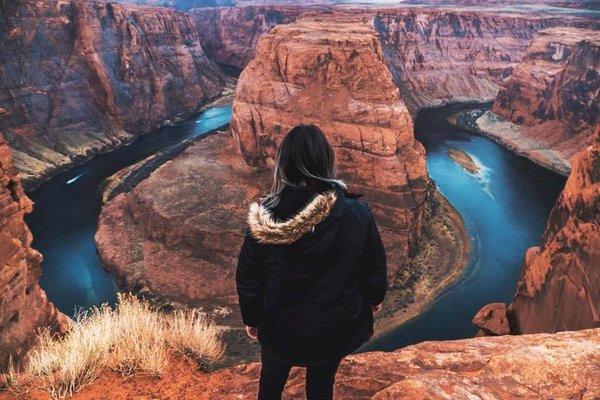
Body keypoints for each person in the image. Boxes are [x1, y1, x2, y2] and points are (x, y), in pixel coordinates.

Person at [236, 124, 387, 400]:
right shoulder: (356, 213)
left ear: (283, 164)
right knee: (321, 385)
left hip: (280, 329)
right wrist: (374, 299)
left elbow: (248, 276)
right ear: (326, 161)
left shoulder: (264, 219)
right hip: (335, 327)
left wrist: (253, 318)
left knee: (270, 382)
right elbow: (374, 266)